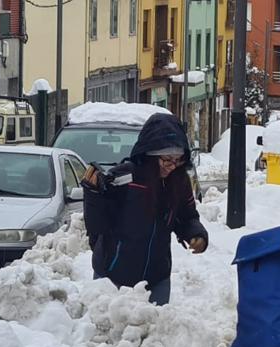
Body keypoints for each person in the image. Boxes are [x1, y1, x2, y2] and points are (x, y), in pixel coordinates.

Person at [82, 113, 208, 306]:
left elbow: (186, 216)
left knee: (155, 331)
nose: (173, 166)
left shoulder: (179, 182)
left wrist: (196, 234)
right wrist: (93, 194)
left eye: (179, 160)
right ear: (150, 155)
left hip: (157, 277)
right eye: (167, 160)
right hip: (112, 276)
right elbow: (98, 224)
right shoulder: (125, 179)